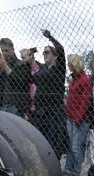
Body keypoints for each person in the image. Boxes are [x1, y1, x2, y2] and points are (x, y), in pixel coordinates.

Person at [30, 30, 69, 159]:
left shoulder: (59, 68)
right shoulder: (42, 70)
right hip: (41, 112)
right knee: (40, 143)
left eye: (47, 52)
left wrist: (50, 37)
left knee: (53, 145)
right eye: (43, 53)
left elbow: (61, 49)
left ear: (55, 56)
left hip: (54, 112)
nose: (44, 54)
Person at [64, 53, 92, 176]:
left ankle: (75, 174)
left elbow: (85, 102)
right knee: (71, 145)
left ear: (75, 63)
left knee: (76, 147)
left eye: (70, 63)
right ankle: (68, 171)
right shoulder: (74, 78)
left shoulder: (85, 80)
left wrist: (78, 118)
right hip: (70, 116)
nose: (68, 65)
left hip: (79, 119)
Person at [0, 37, 33, 117]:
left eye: (6, 50)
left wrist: (5, 66)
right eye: (2, 51)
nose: (4, 53)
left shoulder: (22, 64)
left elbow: (20, 82)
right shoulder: (2, 64)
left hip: (17, 107)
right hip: (2, 105)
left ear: (13, 49)